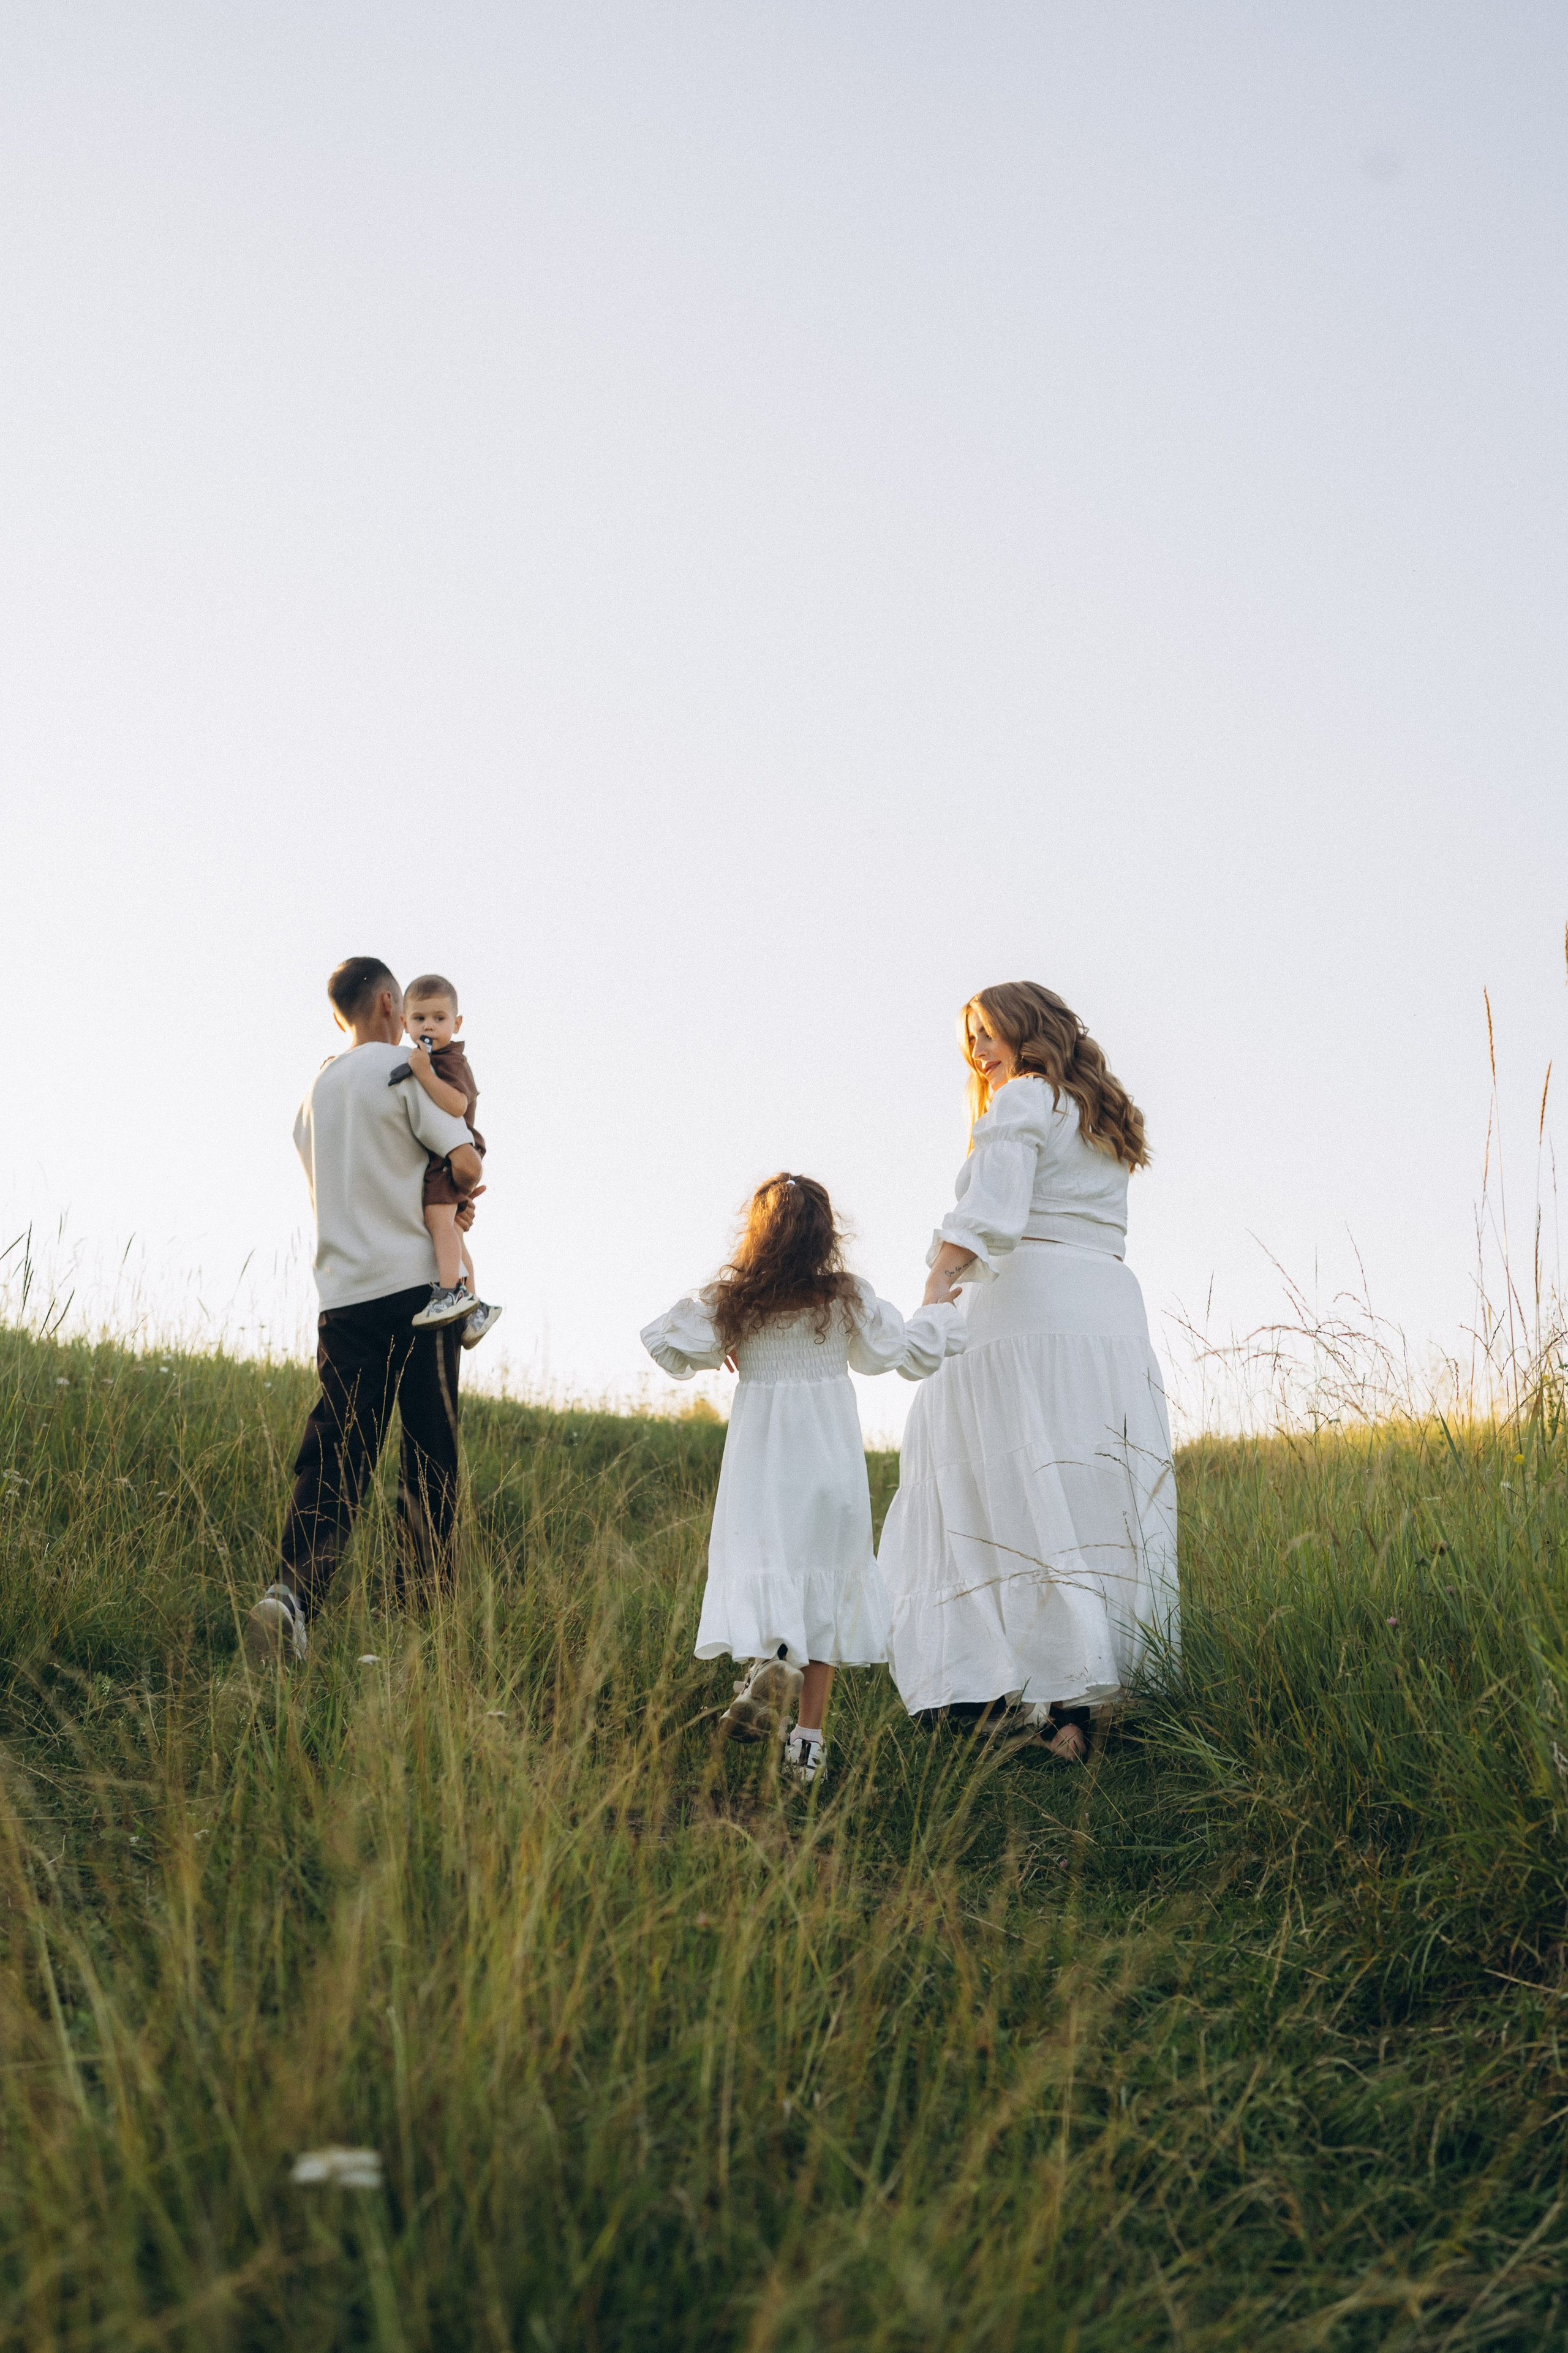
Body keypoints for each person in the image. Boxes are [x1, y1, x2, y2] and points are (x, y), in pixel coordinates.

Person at [876, 983, 1178, 1762]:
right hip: (1108, 1313)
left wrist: (936, 1284)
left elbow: (992, 1215)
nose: (978, 1051)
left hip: (1026, 1307)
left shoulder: (1022, 1099)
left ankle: (985, 1694)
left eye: (987, 1032)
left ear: (1027, 1026)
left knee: (991, 1490)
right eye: (968, 1039)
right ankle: (1079, 1702)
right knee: (1087, 1492)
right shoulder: (1104, 1116)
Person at [641, 1173, 967, 1788]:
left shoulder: (737, 1301)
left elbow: (663, 1340)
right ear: (825, 1235)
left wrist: (723, 1342)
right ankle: (807, 1744)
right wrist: (939, 1309)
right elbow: (905, 1352)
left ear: (758, 1233)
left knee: (773, 1570)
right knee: (826, 1589)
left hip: (762, 1466)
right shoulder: (844, 1297)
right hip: (827, 1464)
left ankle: (770, 1665)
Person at [244, 956, 484, 1667]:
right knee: (428, 1455)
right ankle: (420, 1628)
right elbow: (462, 1158)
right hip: (416, 1290)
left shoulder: (314, 1094)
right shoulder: (402, 1071)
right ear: (387, 1002)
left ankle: (290, 1597)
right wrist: (460, 1191)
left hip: (342, 1297)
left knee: (338, 1450)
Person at [392, 972, 503, 1345]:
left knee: (437, 1220)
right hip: (447, 1153)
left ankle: (450, 1293)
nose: (430, 1026)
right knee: (453, 1230)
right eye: (421, 1019)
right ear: (405, 1023)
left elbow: (457, 1104)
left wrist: (424, 1074)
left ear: (456, 1024)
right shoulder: (428, 1058)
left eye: (440, 1019)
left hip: (451, 1154)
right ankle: (476, 1307)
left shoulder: (448, 1061)